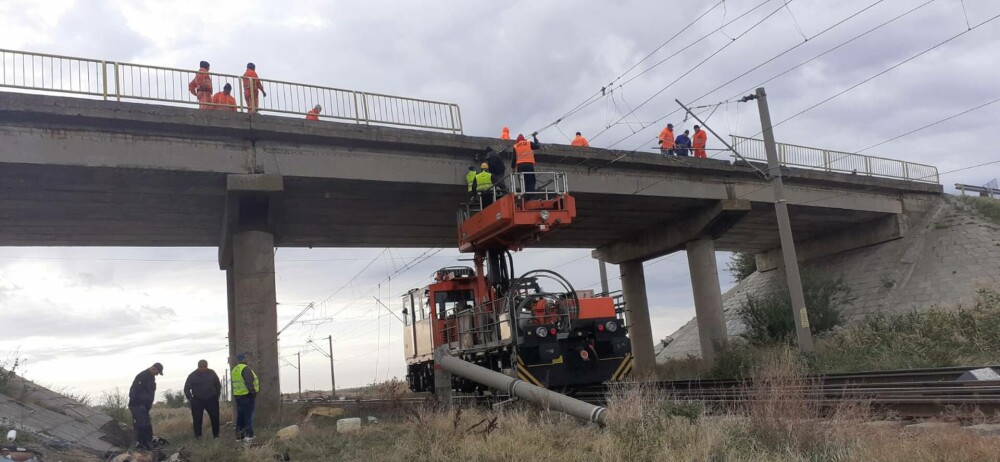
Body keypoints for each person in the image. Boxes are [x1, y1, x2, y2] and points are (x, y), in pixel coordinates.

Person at [128, 362, 163, 451]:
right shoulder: (142, 376)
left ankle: (147, 445)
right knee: (141, 426)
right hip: (138, 406)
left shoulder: (151, 378)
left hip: (145, 406)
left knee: (147, 426)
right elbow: (133, 392)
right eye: (157, 372)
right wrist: (138, 405)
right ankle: (141, 446)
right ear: (153, 369)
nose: (157, 374)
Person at [184, 359, 222, 439]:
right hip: (198, 400)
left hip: (211, 400)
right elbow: (186, 389)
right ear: (198, 367)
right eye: (201, 367)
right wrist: (191, 399)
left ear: (207, 366)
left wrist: (216, 395)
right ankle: (198, 437)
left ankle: (216, 436)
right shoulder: (192, 375)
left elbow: (218, 385)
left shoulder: (212, 373)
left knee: (215, 418)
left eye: (205, 367)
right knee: (197, 419)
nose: (203, 369)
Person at [231, 353, 259, 443]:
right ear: (244, 359)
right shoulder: (245, 369)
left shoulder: (235, 370)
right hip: (247, 396)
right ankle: (249, 436)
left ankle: (239, 436)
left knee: (240, 417)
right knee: (249, 416)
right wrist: (253, 393)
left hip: (238, 396)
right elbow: (249, 382)